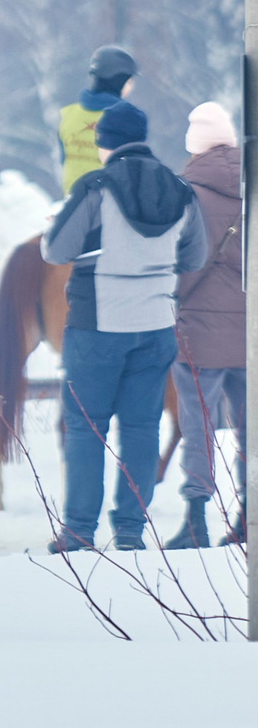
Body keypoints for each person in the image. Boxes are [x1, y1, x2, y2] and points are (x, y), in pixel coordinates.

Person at [43, 98, 211, 552]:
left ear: (105, 142)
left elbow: (56, 251)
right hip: (156, 325)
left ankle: (79, 530)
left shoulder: (95, 187)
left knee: (86, 427)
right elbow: (195, 257)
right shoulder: (181, 191)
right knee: (140, 429)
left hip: (97, 324)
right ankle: (131, 531)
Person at [167, 102, 246, 549]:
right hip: (250, 333)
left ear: (194, 145)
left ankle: (196, 516)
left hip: (199, 332)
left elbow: (186, 264)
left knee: (198, 425)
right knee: (249, 429)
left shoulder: (188, 193)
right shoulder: (250, 186)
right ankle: (248, 517)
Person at [58, 45, 136, 193]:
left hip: (73, 206)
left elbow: (64, 162)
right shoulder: (126, 118)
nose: (132, 87)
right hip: (110, 206)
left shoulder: (68, 115)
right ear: (119, 80)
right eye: (130, 81)